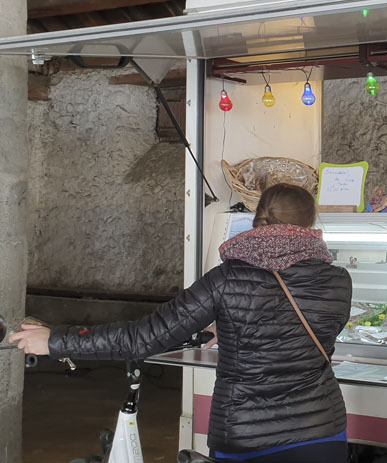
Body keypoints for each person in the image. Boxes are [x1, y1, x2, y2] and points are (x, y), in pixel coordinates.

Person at [10, 184, 353, 463]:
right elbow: (307, 334)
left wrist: (56, 339)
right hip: (323, 431)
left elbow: (142, 338)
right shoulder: (339, 280)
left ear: (257, 218)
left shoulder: (225, 279)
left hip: (247, 437)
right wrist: (233, 323)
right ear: (309, 225)